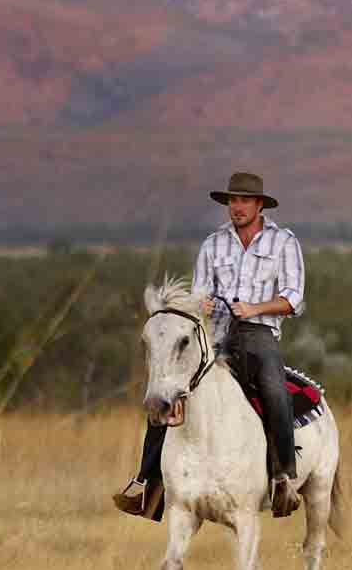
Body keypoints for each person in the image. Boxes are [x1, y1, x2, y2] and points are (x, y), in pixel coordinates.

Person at [115, 170, 309, 520]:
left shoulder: (283, 243)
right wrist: (200, 304)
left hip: (258, 334)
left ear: (259, 204)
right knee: (166, 388)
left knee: (274, 389)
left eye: (244, 200)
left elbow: (293, 298)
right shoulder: (213, 244)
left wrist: (255, 308)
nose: (237, 207)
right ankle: (147, 483)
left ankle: (283, 478)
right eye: (232, 200)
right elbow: (200, 292)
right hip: (215, 337)